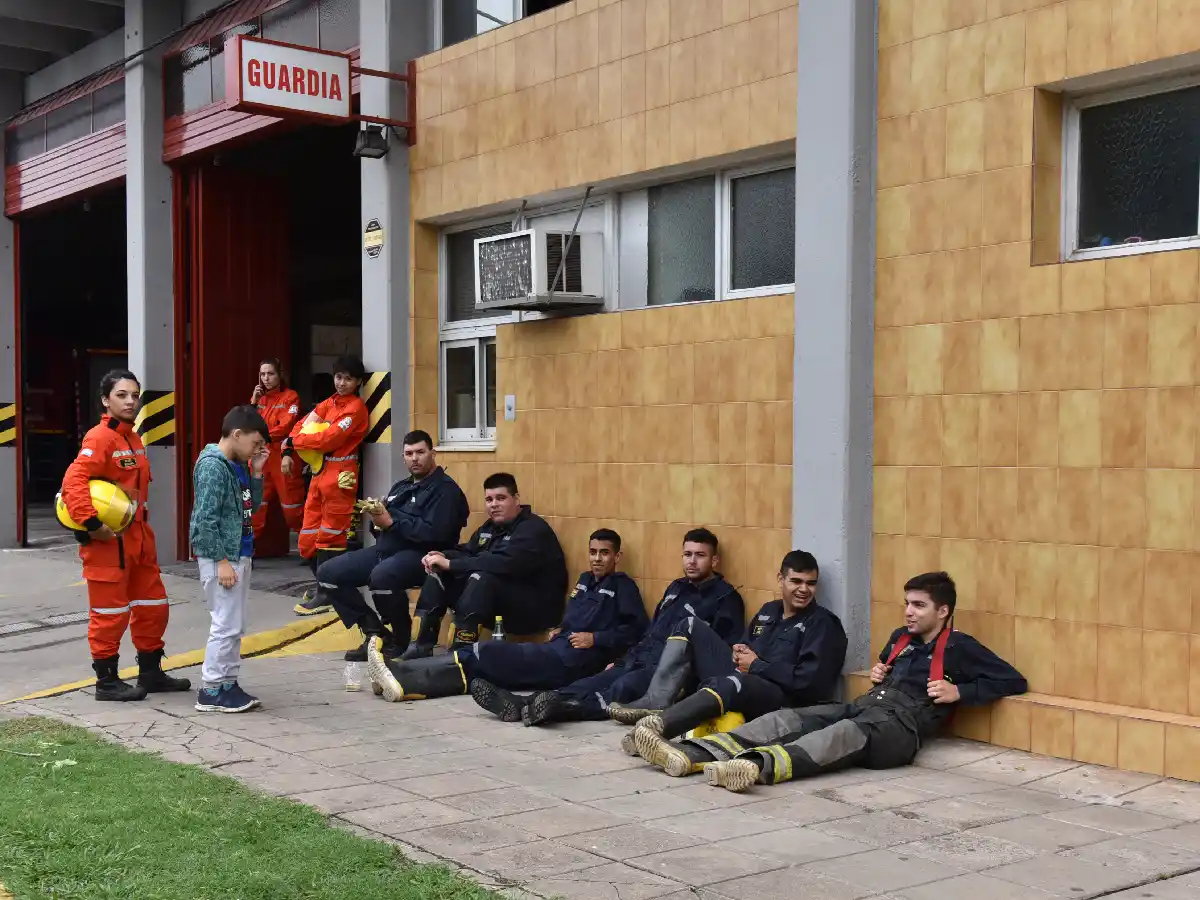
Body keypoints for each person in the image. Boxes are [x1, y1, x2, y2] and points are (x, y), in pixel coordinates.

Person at [644, 572, 1028, 789]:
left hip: (897, 730)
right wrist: (883, 671)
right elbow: (888, 668)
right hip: (865, 708)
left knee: (838, 734)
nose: (909, 612)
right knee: (794, 719)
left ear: (943, 611)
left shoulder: (960, 647)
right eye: (907, 603)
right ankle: (696, 754)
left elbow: (1012, 680)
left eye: (919, 605)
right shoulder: (900, 638)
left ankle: (754, 767)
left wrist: (960, 690)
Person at [366, 529, 648, 714]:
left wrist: (595, 639)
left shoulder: (623, 587)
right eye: (593, 552)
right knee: (480, 659)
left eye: (604, 553)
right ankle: (399, 674)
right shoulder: (585, 581)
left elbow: (636, 631)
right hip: (556, 649)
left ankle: (401, 677)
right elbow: (578, 615)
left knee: (487, 653)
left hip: (572, 662)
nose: (597, 559)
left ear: (617, 556)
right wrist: (563, 628)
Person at [617, 550, 848, 760]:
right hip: (744, 679)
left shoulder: (823, 624)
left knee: (733, 683)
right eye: (796, 581)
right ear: (781, 580)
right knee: (690, 625)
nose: (803, 589)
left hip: (780, 698)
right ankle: (656, 701)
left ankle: (657, 728)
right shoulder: (769, 610)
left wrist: (756, 665)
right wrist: (739, 653)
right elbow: (746, 646)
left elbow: (811, 684)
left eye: (811, 583)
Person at [521, 528, 744, 727]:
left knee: (620, 689)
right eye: (687, 555)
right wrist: (622, 659)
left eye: (700, 555)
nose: (692, 562)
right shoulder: (676, 588)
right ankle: (528, 703)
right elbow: (651, 631)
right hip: (638, 658)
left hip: (664, 672)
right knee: (590, 683)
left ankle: (562, 711)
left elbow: (718, 654)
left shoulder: (726, 598)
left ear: (714, 561)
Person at [59, 370, 191, 701]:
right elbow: (74, 483)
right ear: (106, 400)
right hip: (109, 543)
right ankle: (106, 682)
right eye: (122, 395)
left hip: (139, 537)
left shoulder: (132, 438)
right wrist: (90, 525)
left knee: (153, 606)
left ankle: (150, 672)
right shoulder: (99, 438)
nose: (131, 400)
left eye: (135, 395)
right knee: (109, 614)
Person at [318, 430, 469, 661]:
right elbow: (383, 526)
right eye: (409, 453)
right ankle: (375, 633)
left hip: (423, 556)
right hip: (385, 550)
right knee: (328, 573)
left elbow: (437, 534)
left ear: (433, 453)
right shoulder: (400, 487)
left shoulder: (446, 491)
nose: (415, 458)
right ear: (403, 456)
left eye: (420, 452)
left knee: (382, 576)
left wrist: (392, 522)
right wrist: (377, 522)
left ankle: (400, 641)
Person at [401, 472, 568, 657]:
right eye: (489, 499)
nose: (494, 504)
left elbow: (502, 563)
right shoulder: (489, 527)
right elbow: (470, 552)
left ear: (516, 499)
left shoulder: (533, 529)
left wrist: (451, 564)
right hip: (497, 603)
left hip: (535, 610)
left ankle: (458, 658)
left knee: (481, 577)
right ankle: (418, 649)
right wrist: (442, 556)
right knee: (439, 574)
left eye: (501, 498)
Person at [189, 406, 271, 713]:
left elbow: (250, 506)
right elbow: (202, 522)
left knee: (234, 624)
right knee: (225, 624)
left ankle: (227, 683)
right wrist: (221, 561)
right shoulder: (214, 467)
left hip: (239, 553)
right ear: (236, 435)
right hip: (223, 557)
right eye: (255, 444)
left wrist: (258, 471)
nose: (256, 450)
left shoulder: (237, 465)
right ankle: (211, 689)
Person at [287, 355, 369, 615]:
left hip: (341, 473)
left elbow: (329, 439)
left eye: (348, 378)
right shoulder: (328, 403)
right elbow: (300, 426)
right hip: (319, 471)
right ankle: (324, 585)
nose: (342, 383)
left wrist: (295, 443)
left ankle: (327, 592)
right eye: (338, 377)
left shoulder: (355, 408)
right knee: (307, 538)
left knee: (331, 536)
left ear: (358, 382)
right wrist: (295, 439)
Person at [249, 358, 304, 546]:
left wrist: (258, 438)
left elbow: (286, 426)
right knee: (254, 505)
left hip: (283, 456)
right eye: (262, 374)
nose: (266, 378)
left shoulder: (291, 397)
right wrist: (253, 403)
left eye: (270, 373)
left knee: (292, 509)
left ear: (280, 375)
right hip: (260, 458)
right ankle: (246, 549)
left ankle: (310, 548)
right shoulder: (259, 399)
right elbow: (246, 423)